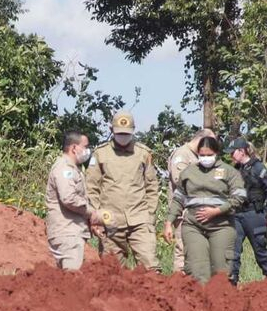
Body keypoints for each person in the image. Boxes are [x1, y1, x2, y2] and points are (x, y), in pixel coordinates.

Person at [163, 135, 246, 282]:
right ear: (197, 154)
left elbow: (239, 197)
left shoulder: (229, 172)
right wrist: (169, 222)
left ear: (216, 153)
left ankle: (220, 300)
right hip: (194, 226)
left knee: (221, 271)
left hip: (221, 225)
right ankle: (199, 301)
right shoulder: (189, 172)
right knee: (197, 270)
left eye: (209, 155)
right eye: (202, 155)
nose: (206, 158)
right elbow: (178, 199)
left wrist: (216, 211)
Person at [85, 110, 159, 269]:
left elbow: (152, 186)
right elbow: (92, 187)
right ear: (112, 130)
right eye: (119, 133)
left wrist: (150, 215)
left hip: (140, 218)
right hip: (110, 219)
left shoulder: (143, 153)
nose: (123, 137)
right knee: (112, 269)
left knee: (150, 266)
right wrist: (97, 216)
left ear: (133, 131)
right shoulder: (100, 153)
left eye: (127, 133)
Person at [45, 130, 103, 270]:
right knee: (72, 278)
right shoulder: (64, 168)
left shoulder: (73, 168)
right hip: (68, 232)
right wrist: (92, 212)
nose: (88, 151)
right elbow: (69, 198)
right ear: (74, 148)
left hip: (70, 231)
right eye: (85, 146)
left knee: (67, 279)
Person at [226, 137, 267, 285]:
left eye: (233, 153)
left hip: (254, 215)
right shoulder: (234, 170)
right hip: (237, 215)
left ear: (242, 152)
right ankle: (231, 283)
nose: (231, 156)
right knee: (233, 250)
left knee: (260, 250)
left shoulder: (258, 168)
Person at [167, 128, 216, 272]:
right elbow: (180, 179)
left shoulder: (200, 156)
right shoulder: (182, 154)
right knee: (183, 249)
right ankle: (180, 280)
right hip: (184, 212)